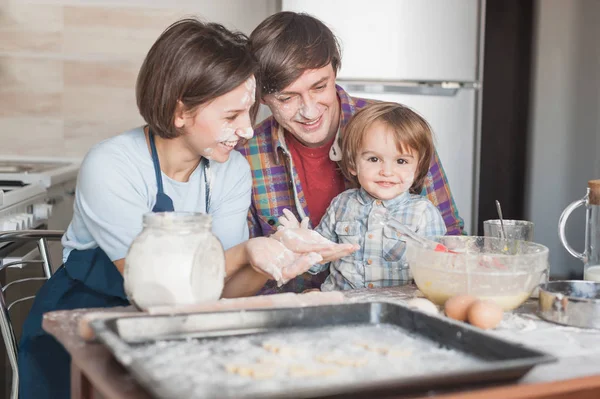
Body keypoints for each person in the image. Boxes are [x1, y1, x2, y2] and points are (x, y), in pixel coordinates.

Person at [17, 18, 354, 399]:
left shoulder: (232, 170)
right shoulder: (112, 165)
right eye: (231, 117)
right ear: (180, 112)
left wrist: (266, 263)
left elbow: (221, 294)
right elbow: (151, 284)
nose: (246, 131)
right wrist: (243, 252)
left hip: (177, 328)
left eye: (249, 114)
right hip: (82, 331)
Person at [238, 11, 465, 294]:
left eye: (320, 87)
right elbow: (243, 272)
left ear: (335, 70)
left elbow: (451, 242)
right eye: (286, 98)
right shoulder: (245, 155)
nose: (309, 111)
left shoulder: (397, 132)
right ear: (261, 96)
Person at [307, 102, 447, 290]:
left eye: (401, 161)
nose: (387, 171)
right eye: (374, 159)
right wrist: (300, 243)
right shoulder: (341, 204)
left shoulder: (424, 214)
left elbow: (437, 275)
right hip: (339, 304)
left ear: (418, 168)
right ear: (352, 164)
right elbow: (315, 262)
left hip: (395, 309)